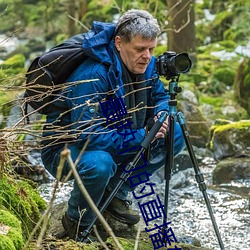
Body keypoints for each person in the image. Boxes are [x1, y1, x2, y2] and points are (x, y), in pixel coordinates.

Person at [41, 9, 185, 241]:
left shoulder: (146, 64)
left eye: (151, 49)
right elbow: (87, 135)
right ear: (119, 43)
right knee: (100, 164)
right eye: (140, 49)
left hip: (120, 133)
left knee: (175, 132)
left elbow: (159, 96)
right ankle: (76, 222)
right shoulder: (93, 75)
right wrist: (142, 136)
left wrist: (161, 114)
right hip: (67, 149)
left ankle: (116, 193)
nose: (147, 56)